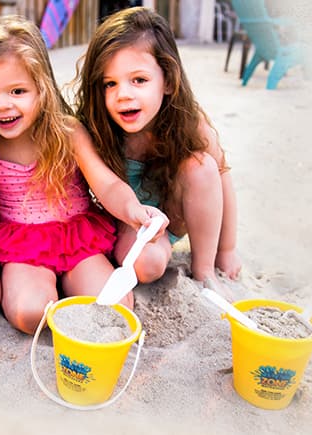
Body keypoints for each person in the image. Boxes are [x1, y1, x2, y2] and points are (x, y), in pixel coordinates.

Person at [0, 16, 166, 334]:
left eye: (17, 91)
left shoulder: (67, 131)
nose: (2, 106)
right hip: (22, 243)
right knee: (29, 315)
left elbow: (104, 183)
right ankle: (46, 291)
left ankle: (71, 288)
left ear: (42, 88)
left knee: (115, 306)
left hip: (79, 237)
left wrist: (132, 209)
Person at [73, 7, 241, 296]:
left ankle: (203, 271)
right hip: (123, 220)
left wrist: (227, 249)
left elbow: (222, 179)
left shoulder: (188, 121)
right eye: (109, 84)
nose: (123, 94)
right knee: (148, 266)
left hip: (171, 213)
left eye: (139, 80)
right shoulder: (96, 127)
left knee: (203, 165)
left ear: (168, 81)